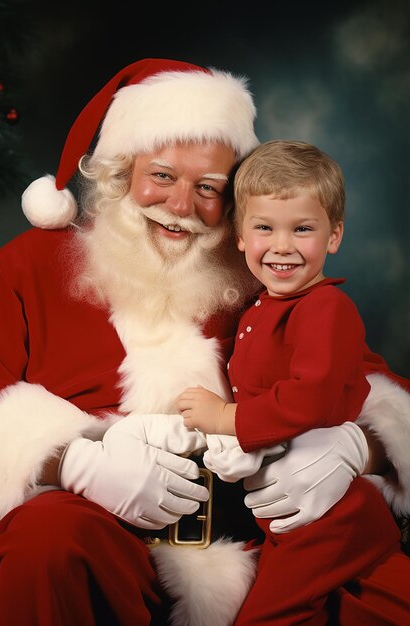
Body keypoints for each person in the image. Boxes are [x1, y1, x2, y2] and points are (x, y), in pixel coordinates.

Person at [0, 59, 409, 626]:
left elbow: (374, 391)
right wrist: (74, 463)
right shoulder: (25, 269)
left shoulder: (260, 274)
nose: (181, 206)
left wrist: (360, 445)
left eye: (208, 188)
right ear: (120, 171)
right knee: (43, 542)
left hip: (256, 542)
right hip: (100, 537)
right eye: (162, 176)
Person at [176, 139, 408, 625]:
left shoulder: (327, 308)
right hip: (283, 512)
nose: (282, 246)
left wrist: (226, 419)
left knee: (269, 615)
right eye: (264, 228)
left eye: (302, 229)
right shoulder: (260, 307)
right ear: (240, 235)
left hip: (331, 514)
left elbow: (310, 398)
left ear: (334, 236)